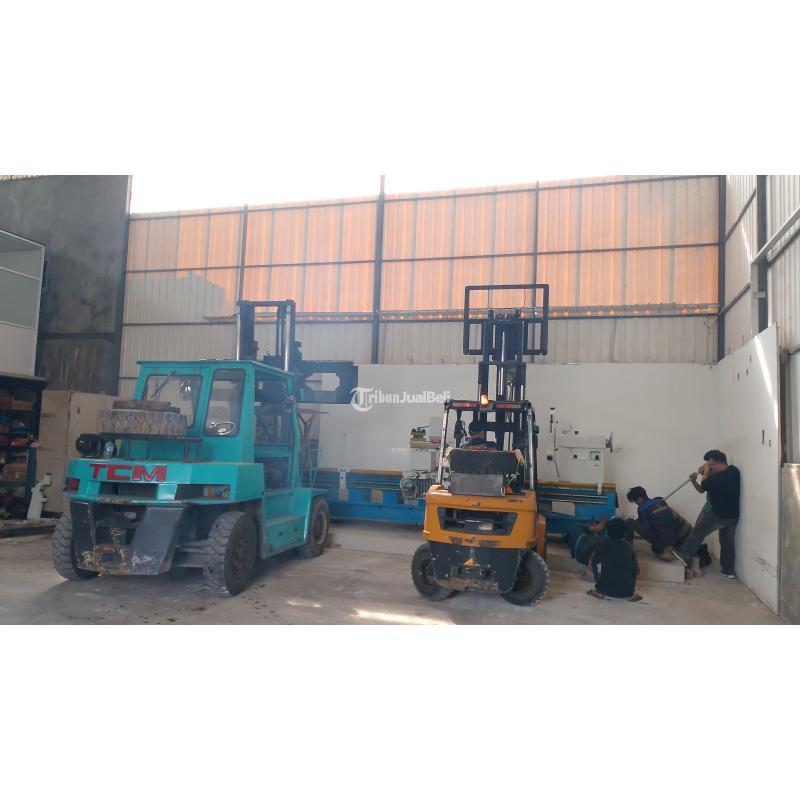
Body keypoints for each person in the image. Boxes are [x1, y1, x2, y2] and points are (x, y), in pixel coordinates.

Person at [672, 449, 740, 579]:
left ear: (713, 462)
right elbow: (702, 488)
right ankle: (728, 571)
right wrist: (695, 479)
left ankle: (684, 555)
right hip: (732, 516)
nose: (709, 467)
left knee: (698, 532)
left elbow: (705, 484)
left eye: (710, 464)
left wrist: (707, 471)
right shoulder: (733, 471)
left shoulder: (716, 478)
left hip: (718, 515)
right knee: (727, 543)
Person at [625, 486, 695, 563]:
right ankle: (670, 549)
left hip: (668, 541)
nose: (636, 503)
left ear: (640, 498)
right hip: (680, 539)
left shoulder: (643, 509)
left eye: (635, 500)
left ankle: (628, 549)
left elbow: (647, 526)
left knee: (629, 521)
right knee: (655, 549)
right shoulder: (660, 501)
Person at [587, 518, 642, 601]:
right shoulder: (628, 546)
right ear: (624, 532)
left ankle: (598, 591)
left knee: (595, 561)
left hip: (604, 589)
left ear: (608, 532)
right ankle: (630, 596)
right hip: (627, 592)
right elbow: (637, 571)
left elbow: (590, 566)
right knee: (633, 564)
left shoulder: (601, 544)